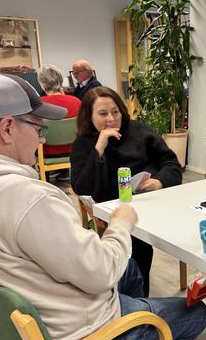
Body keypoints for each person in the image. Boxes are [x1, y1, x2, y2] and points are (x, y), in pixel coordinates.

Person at [0, 74, 206, 340]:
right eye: (39, 129)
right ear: (8, 128)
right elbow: (100, 273)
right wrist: (121, 223)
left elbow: (169, 164)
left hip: (34, 325)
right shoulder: (29, 198)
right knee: (196, 313)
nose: (42, 140)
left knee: (130, 269)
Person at [70, 86, 182, 296]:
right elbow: (81, 187)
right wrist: (99, 148)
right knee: (137, 244)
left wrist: (159, 181)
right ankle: (137, 298)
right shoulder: (83, 144)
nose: (111, 119)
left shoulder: (140, 131)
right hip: (114, 210)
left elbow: (171, 163)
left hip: (153, 201)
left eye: (115, 112)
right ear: (90, 117)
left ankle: (136, 296)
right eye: (103, 114)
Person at [37, 64, 81, 163]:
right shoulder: (77, 102)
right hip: (75, 152)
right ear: (61, 81)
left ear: (42, 85)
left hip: (46, 154)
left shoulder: (38, 105)